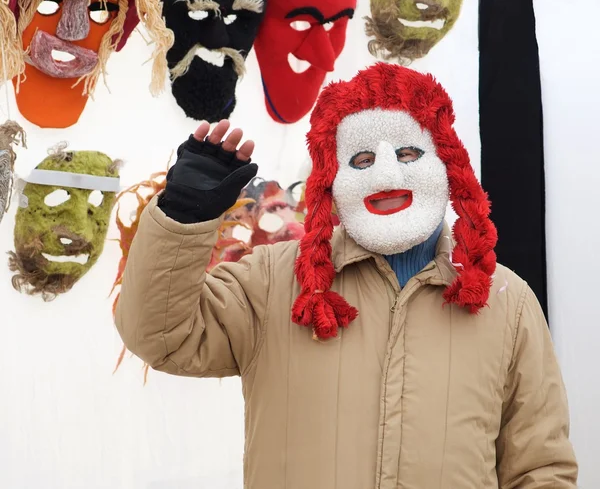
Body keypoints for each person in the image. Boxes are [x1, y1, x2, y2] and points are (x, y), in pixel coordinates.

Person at [115, 63, 578, 488]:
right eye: (361, 161)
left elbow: (539, 467)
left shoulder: (506, 299)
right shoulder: (274, 281)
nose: (387, 173)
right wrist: (183, 216)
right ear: (331, 180)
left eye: (410, 151)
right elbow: (160, 336)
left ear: (447, 164)